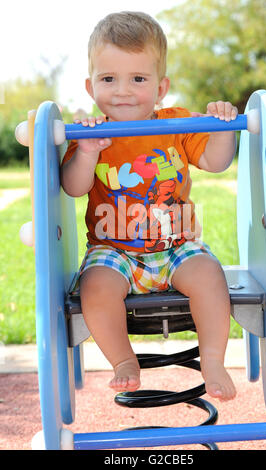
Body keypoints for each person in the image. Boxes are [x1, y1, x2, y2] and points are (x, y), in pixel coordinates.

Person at [61, 11, 238, 401]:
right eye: (109, 79)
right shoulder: (89, 131)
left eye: (138, 79)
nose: (122, 90)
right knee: (95, 288)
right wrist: (88, 153)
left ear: (161, 87)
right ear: (91, 86)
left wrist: (222, 128)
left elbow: (216, 162)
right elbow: (73, 187)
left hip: (176, 246)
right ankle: (124, 360)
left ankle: (212, 359)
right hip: (114, 251)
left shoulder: (175, 122)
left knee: (210, 274)